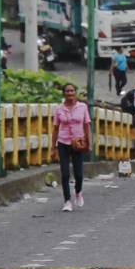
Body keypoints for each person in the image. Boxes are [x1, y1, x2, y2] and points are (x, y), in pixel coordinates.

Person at [53, 83, 91, 212]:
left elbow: (87, 126)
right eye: (67, 91)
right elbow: (55, 128)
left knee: (78, 174)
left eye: (72, 90)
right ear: (64, 93)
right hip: (63, 142)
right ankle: (67, 200)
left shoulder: (83, 107)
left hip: (78, 143)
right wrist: (53, 146)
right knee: (65, 173)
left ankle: (78, 192)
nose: (70, 93)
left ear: (75, 92)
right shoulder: (59, 109)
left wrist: (89, 143)